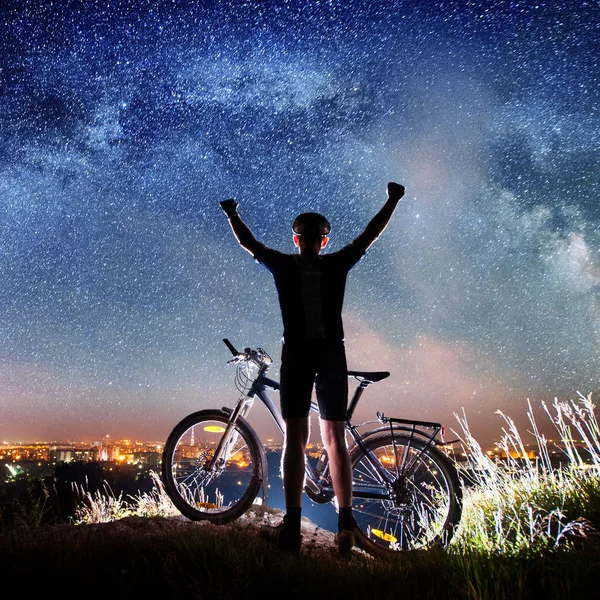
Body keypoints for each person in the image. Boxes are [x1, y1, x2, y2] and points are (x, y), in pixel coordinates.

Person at [220, 181, 405, 554]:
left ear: (295, 239)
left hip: (298, 356)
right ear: (323, 241)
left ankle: (291, 526)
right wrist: (392, 200)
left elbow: (250, 245)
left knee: (295, 439)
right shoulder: (336, 263)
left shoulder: (284, 265)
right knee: (335, 438)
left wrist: (232, 214)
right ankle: (346, 522)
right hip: (331, 354)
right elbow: (369, 235)